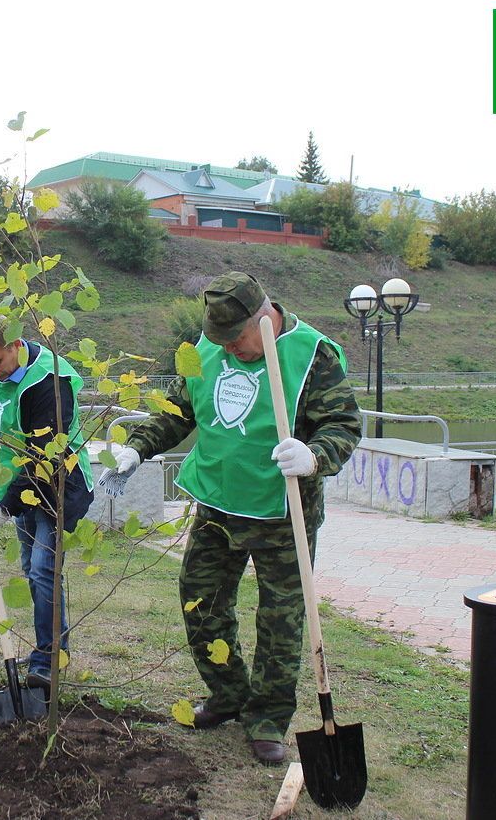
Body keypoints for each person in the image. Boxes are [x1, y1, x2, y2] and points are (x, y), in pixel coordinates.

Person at [99, 272, 359, 765]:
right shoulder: (208, 347)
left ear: (263, 318)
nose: (229, 349)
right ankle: (228, 693)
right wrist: (137, 450)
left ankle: (268, 717)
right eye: (219, 340)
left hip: (284, 512)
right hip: (217, 501)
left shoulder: (313, 354)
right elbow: (178, 411)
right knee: (200, 600)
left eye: (236, 339)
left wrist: (314, 455)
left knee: (280, 618)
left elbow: (343, 425)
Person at [0, 312, 95, 690]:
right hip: (20, 485)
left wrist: (2, 508)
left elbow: (46, 456)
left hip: (59, 487)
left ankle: (49, 659)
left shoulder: (49, 383)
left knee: (43, 569)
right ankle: (50, 648)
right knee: (32, 567)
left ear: (16, 345)